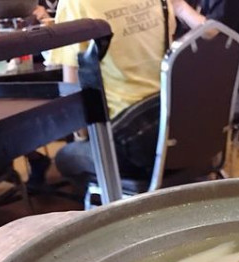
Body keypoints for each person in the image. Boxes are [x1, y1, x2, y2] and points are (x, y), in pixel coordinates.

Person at [48, 0, 179, 183]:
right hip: (174, 126)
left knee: (65, 158)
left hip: (128, 140)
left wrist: (81, 136)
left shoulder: (75, 3)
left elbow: (73, 86)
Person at [175, 0, 239, 120]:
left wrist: (179, 7)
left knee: (182, 115)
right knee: (163, 106)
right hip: (212, 87)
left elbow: (214, 32)